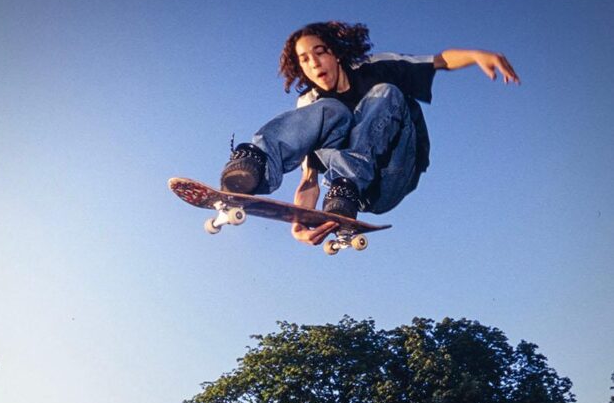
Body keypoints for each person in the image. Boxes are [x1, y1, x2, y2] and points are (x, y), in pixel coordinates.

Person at [219, 20, 519, 245]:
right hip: (347, 197)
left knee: (385, 92)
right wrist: (299, 222)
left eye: (320, 53)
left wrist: (476, 55)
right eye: (305, 60)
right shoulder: (311, 102)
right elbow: (309, 179)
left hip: (392, 172)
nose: (314, 64)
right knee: (329, 110)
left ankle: (348, 182)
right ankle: (255, 163)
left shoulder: (375, 67)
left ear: (336, 55)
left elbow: (437, 61)